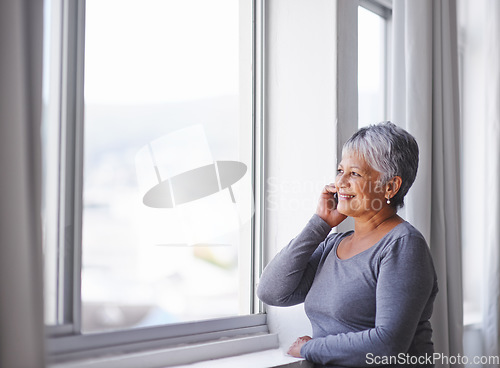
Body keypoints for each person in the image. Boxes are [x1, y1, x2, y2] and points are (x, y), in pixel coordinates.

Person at [257, 122, 438, 368]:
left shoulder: (403, 245)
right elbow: (271, 292)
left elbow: (388, 345)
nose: (340, 182)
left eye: (354, 173)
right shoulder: (333, 244)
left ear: (390, 187)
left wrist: (311, 348)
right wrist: (320, 223)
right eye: (340, 170)